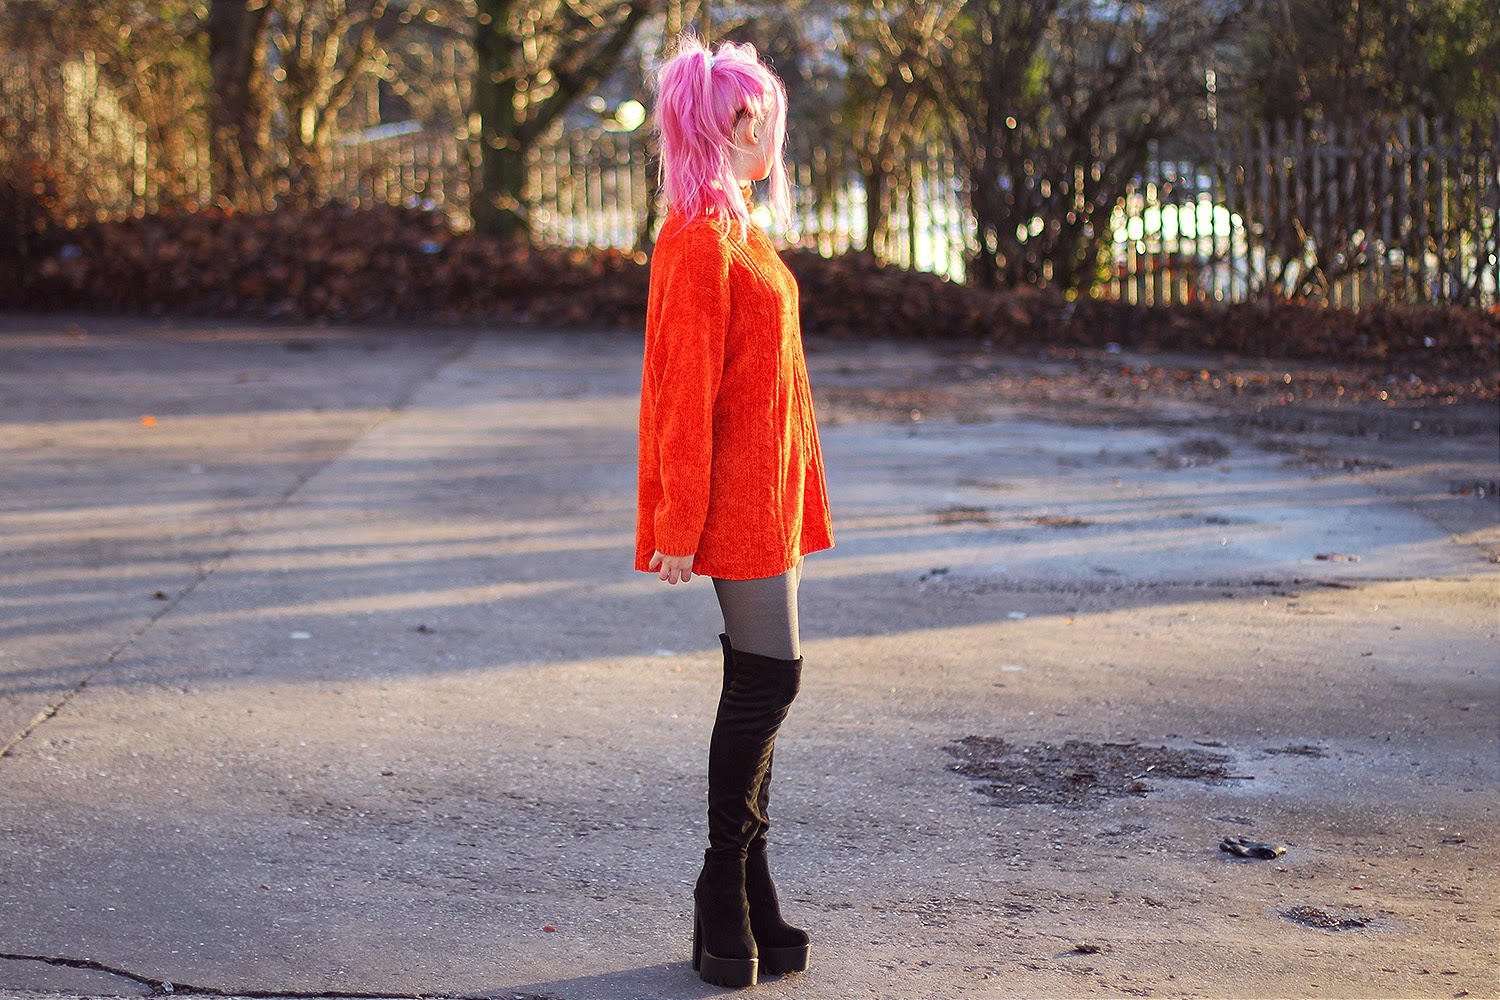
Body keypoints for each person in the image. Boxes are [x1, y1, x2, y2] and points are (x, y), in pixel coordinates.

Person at [635, 35, 834, 988]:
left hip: (773, 489)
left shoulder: (740, 226)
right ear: (740, 124)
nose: (775, 139)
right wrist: (677, 522)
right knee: (768, 683)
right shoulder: (696, 239)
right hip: (735, 497)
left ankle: (748, 887)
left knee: (764, 682)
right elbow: (681, 390)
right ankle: (725, 882)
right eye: (767, 122)